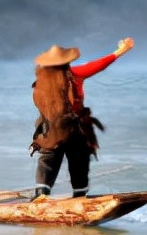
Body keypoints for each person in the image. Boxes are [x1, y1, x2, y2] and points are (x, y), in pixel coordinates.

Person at [30, 37, 134, 200]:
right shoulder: (74, 74)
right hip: (74, 128)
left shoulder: (40, 82)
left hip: (50, 130)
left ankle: (41, 195)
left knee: (48, 160)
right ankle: (79, 196)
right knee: (78, 160)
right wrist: (120, 51)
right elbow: (98, 65)